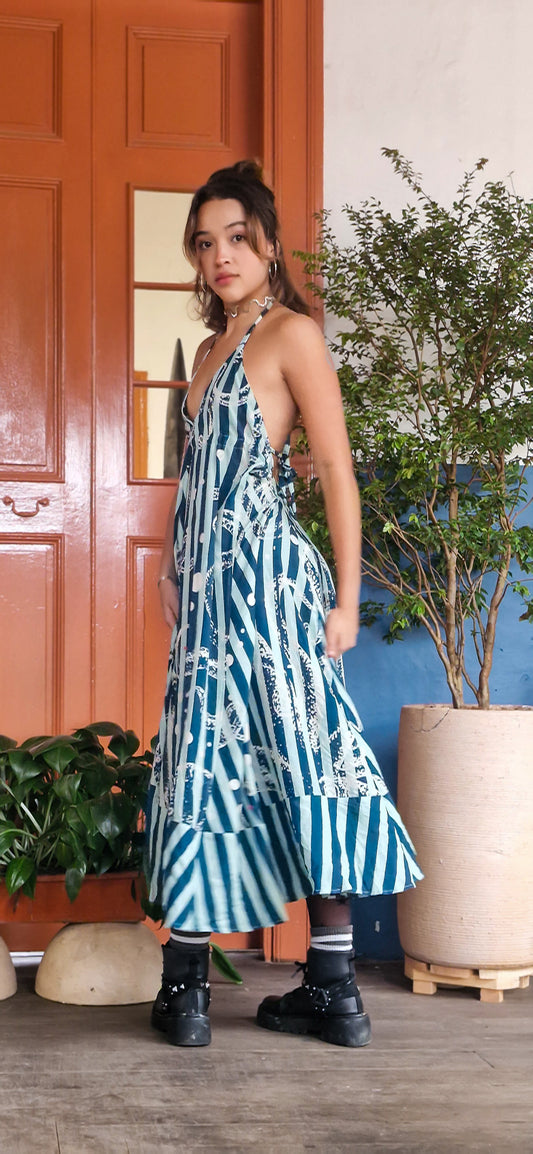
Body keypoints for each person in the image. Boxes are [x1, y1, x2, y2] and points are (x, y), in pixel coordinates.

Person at [145, 161, 422, 1049]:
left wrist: (347, 599)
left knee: (302, 758)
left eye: (234, 237)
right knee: (201, 764)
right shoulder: (212, 347)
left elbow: (335, 469)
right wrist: (165, 563)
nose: (217, 255)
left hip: (267, 589)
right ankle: (187, 984)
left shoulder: (291, 333)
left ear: (267, 241)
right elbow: (195, 476)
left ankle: (333, 988)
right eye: (202, 242)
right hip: (205, 594)